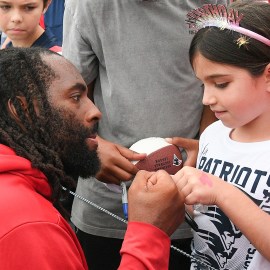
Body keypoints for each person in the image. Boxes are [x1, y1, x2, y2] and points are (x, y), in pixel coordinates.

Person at [61, 1, 232, 269]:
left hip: (191, 204)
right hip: (107, 209)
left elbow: (217, 83)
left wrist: (205, 147)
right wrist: (91, 145)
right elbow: (70, 94)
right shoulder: (86, 5)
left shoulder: (213, 4)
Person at [0, 46, 186, 269]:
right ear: (23, 109)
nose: (95, 111)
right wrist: (150, 234)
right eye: (76, 97)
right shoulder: (29, 225)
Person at [172, 1, 270, 269]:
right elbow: (204, 223)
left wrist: (222, 193)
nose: (207, 98)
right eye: (203, 84)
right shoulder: (212, 135)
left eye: (221, 84)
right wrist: (177, 191)